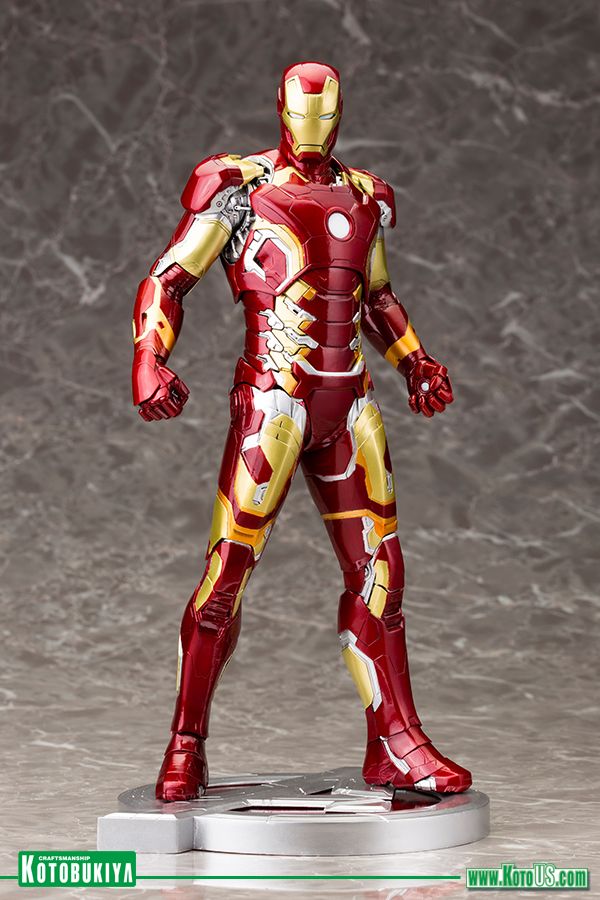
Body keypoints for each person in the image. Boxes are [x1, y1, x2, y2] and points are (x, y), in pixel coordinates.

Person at [131, 61, 471, 801]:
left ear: (339, 113)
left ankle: (397, 743)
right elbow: (168, 278)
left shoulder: (364, 195)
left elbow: (375, 297)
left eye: (325, 114)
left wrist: (416, 362)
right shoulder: (237, 187)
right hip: (274, 403)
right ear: (282, 111)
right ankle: (186, 743)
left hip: (349, 403)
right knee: (226, 575)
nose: (313, 127)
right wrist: (149, 357)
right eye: (301, 113)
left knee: (382, 573)